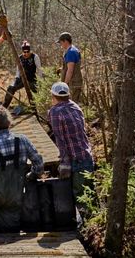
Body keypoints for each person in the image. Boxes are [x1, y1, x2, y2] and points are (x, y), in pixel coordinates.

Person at [48, 82, 94, 220]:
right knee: (90, 193)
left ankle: (86, 227)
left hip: (76, 160)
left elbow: (60, 140)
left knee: (80, 196)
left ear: (53, 96)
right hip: (87, 155)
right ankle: (93, 224)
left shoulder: (55, 112)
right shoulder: (76, 107)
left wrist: (64, 163)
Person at [3, 41, 43, 108]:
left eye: (27, 51)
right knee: (11, 88)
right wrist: (17, 78)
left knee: (35, 94)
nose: (26, 53)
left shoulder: (35, 57)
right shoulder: (20, 57)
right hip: (22, 79)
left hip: (32, 79)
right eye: (24, 52)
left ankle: (35, 108)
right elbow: (18, 69)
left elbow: (39, 69)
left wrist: (39, 80)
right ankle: (4, 107)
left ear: (30, 51)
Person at [57, 32, 83, 102]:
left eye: (61, 42)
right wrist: (61, 69)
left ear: (65, 41)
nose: (60, 44)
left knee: (72, 104)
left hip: (73, 83)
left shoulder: (71, 52)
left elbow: (70, 70)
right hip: (74, 82)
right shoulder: (73, 50)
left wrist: (64, 84)